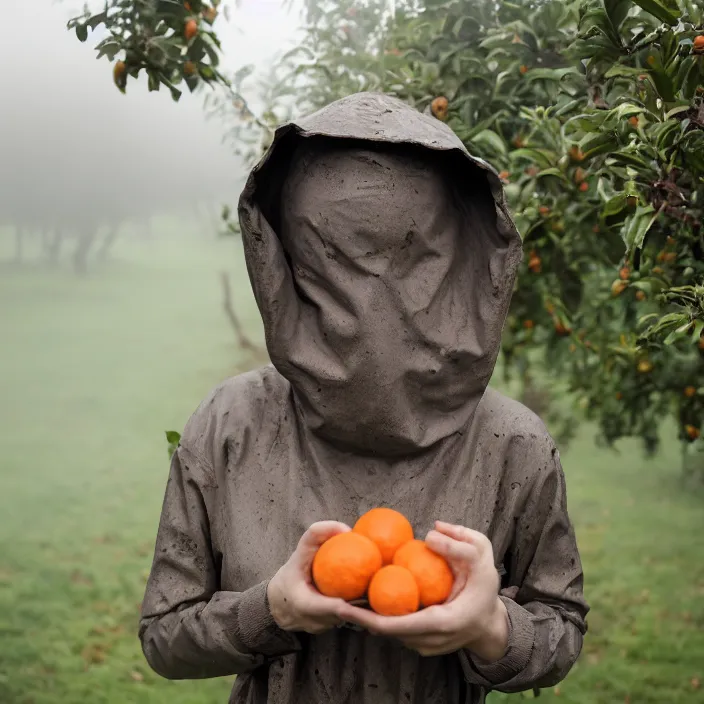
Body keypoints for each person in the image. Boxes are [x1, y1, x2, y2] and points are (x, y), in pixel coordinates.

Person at [138, 92, 588, 704]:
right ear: (287, 259)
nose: (372, 301)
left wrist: (491, 629)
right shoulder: (230, 426)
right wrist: (270, 610)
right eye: (335, 257)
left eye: (410, 258)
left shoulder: (513, 446)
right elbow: (165, 633)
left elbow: (561, 627)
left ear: (457, 260)